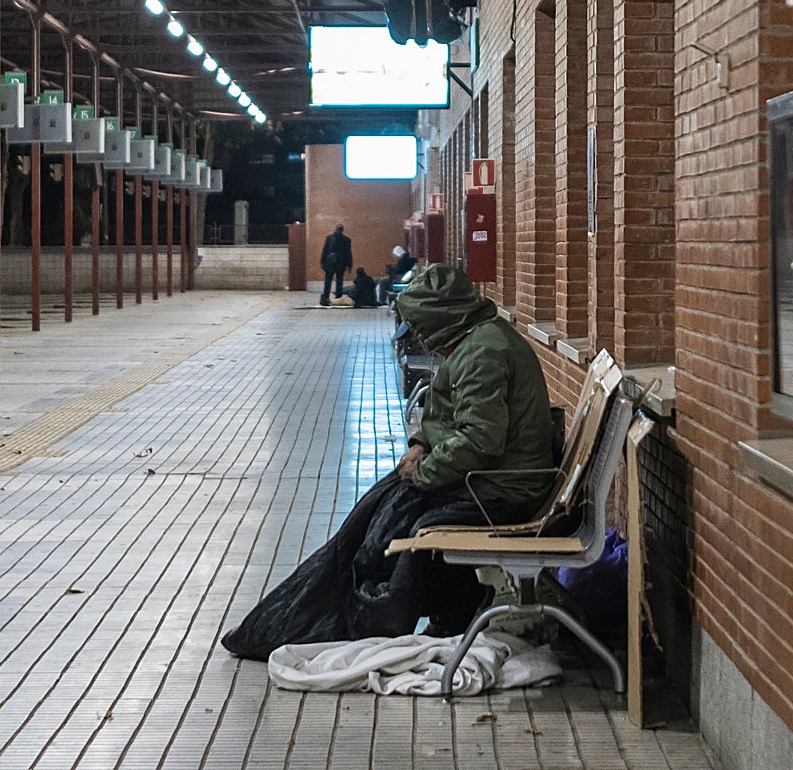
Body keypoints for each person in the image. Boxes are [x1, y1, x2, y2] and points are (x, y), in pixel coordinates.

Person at [221, 264, 555, 660]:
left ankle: (369, 620)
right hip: (495, 480)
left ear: (439, 318)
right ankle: (359, 614)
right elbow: (452, 420)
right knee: (381, 514)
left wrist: (425, 475)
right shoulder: (477, 342)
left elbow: (478, 439)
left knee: (400, 524)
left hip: (502, 490)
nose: (418, 336)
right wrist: (419, 446)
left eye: (420, 325)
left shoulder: (481, 352)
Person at [319, 224, 353, 306]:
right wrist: (349, 265)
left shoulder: (329, 238)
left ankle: (326, 298)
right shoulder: (346, 239)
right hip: (340, 263)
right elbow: (348, 253)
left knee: (328, 282)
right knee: (339, 281)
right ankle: (338, 298)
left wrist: (322, 262)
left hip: (330, 263)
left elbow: (325, 250)